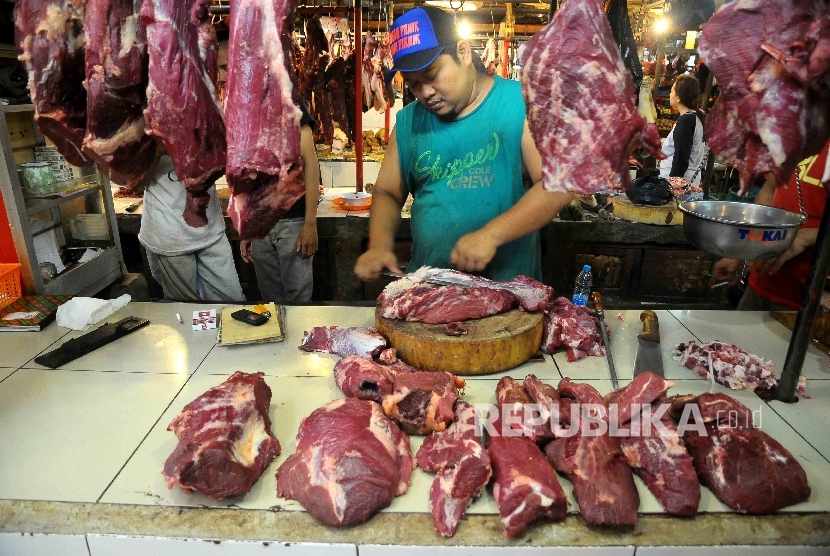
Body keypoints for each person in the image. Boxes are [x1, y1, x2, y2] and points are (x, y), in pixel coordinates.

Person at [354, 6, 573, 283]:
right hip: (429, 290)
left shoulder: (520, 105)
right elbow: (387, 191)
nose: (424, 92)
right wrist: (379, 244)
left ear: (463, 52)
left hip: (506, 294)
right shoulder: (409, 122)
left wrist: (492, 235)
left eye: (432, 76)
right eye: (412, 84)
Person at [712, 141, 829, 310]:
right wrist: (743, 249)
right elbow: (769, 191)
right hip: (759, 284)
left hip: (806, 302)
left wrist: (803, 238)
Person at [138, 148, 245, 302]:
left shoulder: (207, 123)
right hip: (170, 233)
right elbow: (134, 183)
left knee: (231, 301)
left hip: (210, 229)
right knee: (186, 307)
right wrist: (156, 151)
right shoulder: (147, 129)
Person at [239, 102, 320, 303]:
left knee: (299, 300)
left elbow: (310, 164)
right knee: (269, 299)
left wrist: (310, 223)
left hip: (293, 223)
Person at [659, 74, 706, 187]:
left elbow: (681, 157)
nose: (670, 95)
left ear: (678, 97)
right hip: (689, 180)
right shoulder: (698, 116)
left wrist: (674, 185)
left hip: (680, 184)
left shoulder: (686, 120)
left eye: (672, 91)